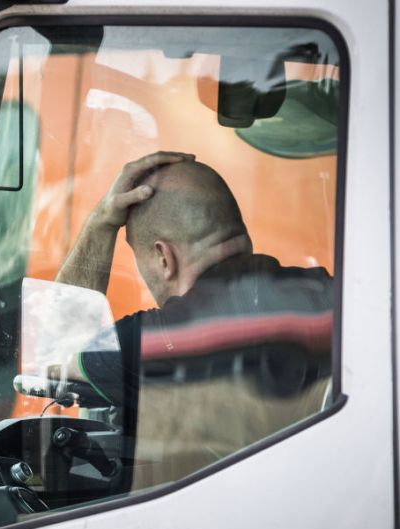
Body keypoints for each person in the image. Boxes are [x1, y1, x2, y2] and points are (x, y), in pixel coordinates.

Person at [56, 152, 333, 486]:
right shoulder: (333, 294)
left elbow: (55, 356)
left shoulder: (157, 342)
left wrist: (101, 221)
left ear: (163, 257)